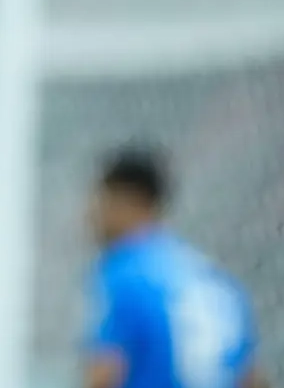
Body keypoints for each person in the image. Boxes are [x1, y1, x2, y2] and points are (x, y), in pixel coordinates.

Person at [85, 145, 269, 388]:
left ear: (124, 201)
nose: (90, 215)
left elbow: (104, 374)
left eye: (99, 201)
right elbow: (250, 377)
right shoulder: (215, 281)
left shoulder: (123, 274)